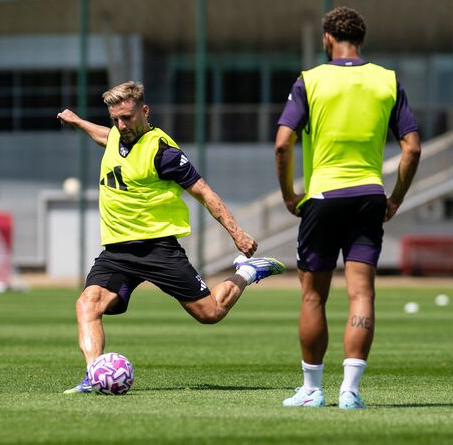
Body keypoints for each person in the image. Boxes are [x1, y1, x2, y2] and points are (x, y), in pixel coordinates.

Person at [57, 81, 286, 394]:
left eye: (127, 117)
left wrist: (237, 233)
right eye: (116, 119)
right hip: (117, 251)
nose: (121, 125)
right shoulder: (116, 135)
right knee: (88, 304)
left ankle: (248, 272)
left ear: (145, 111)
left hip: (158, 249)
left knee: (210, 314)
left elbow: (204, 192)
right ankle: (94, 375)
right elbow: (105, 136)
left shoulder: (162, 151)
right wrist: (78, 122)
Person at [275, 7, 421, 409]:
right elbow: (412, 147)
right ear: (362, 39)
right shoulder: (387, 81)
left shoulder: (310, 80)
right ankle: (350, 392)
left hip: (322, 197)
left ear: (327, 39)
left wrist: (289, 194)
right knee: (362, 295)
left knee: (312, 297)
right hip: (369, 197)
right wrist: (396, 197)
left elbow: (283, 143)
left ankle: (311, 390)